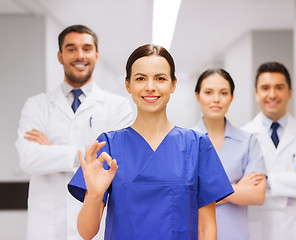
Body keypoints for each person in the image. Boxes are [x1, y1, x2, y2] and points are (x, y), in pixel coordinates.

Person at [67, 44, 234, 240]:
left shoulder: (197, 146)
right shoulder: (108, 145)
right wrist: (94, 195)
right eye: (140, 79)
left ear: (173, 84)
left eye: (160, 78)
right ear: (128, 85)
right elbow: (86, 233)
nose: (150, 87)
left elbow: (206, 228)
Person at [15, 25, 133, 240]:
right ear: (60, 56)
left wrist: (51, 151)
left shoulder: (118, 106)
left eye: (86, 48)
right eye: (71, 49)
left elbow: (118, 160)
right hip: (48, 226)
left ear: (96, 55)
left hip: (97, 224)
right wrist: (87, 155)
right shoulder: (37, 105)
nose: (80, 55)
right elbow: (28, 158)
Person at [242, 62, 296, 240]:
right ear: (256, 93)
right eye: (265, 88)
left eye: (279, 87)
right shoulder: (243, 135)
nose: (272, 94)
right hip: (259, 228)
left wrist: (266, 180)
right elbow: (242, 187)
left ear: (290, 92)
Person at [192, 68, 266, 240]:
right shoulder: (185, 142)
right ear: (197, 96)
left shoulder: (248, 141)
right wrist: (237, 189)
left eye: (223, 93)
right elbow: (182, 196)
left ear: (231, 97)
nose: (216, 99)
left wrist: (207, 193)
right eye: (208, 92)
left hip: (236, 234)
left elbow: (258, 195)